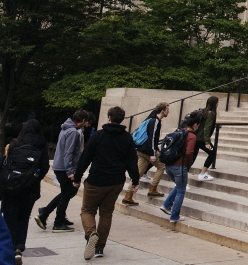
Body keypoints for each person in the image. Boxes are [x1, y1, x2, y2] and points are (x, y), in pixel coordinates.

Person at [73, 106, 140, 261]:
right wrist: (135, 180)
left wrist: (77, 177)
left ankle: (91, 234)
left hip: (97, 179)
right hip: (116, 181)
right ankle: (99, 247)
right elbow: (132, 161)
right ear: (121, 119)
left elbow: (85, 157)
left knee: (88, 210)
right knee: (106, 213)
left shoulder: (98, 136)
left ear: (109, 117)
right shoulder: (127, 138)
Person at [1, 119, 50, 264]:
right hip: (30, 190)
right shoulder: (41, 145)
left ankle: (9, 248)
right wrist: (33, 178)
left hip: (11, 188)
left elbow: (6, 164)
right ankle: (19, 248)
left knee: (10, 218)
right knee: (23, 218)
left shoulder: (15, 143)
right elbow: (45, 167)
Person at [36, 109, 89, 232]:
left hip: (60, 166)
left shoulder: (66, 128)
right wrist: (70, 171)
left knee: (68, 192)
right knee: (67, 193)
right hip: (64, 167)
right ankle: (57, 221)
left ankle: (46, 213)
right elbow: (68, 152)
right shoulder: (73, 132)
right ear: (83, 120)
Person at [124, 102, 169, 206]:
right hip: (147, 151)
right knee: (161, 166)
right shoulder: (155, 121)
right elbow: (152, 138)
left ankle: (128, 195)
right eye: (167, 110)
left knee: (138, 173)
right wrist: (153, 153)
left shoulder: (151, 120)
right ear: (162, 111)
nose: (168, 112)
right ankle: (153, 189)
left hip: (141, 149)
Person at [160, 112, 200, 225]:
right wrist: (188, 165)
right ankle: (174, 216)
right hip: (180, 167)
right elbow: (189, 153)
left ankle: (166, 205)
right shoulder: (192, 136)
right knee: (181, 191)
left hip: (169, 166)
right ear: (195, 125)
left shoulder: (179, 132)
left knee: (179, 186)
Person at [194, 96, 218, 181]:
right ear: (215, 104)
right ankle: (202, 173)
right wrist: (207, 142)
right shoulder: (211, 113)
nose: (218, 104)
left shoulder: (203, 111)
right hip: (201, 139)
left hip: (195, 137)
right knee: (212, 153)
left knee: (192, 157)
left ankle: (181, 178)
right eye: (217, 103)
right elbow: (206, 128)